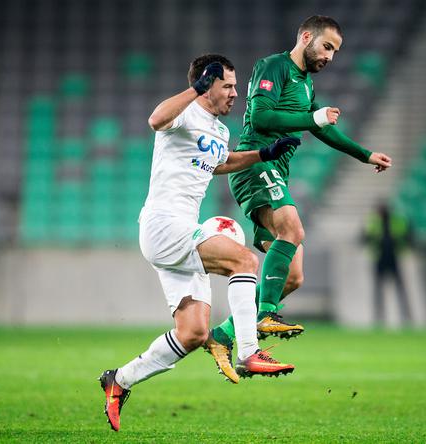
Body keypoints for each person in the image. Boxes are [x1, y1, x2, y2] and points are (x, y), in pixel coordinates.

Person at [98, 54, 301, 432]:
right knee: (245, 261)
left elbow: (220, 162)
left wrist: (264, 154)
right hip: (164, 224)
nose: (235, 94)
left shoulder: (219, 130)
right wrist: (194, 89)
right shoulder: (184, 112)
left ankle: (119, 380)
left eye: (236, 86)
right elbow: (155, 120)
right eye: (227, 86)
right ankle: (249, 352)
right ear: (208, 84)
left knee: (192, 333)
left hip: (180, 230)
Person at [205, 16, 393, 378]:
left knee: (293, 276)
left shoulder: (306, 86)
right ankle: (264, 316)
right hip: (255, 162)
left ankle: (222, 336)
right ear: (306, 37)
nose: (330, 57)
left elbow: (319, 127)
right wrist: (313, 119)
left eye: (335, 52)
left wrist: (364, 154)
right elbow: (260, 116)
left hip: (275, 173)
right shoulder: (273, 66)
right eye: (326, 47)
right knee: (292, 228)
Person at [361, 201, 413, 325]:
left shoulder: (395, 221)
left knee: (398, 290)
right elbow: (364, 238)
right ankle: (379, 318)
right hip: (380, 258)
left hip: (393, 258)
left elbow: (407, 235)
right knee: (380, 290)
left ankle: (405, 318)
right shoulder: (374, 222)